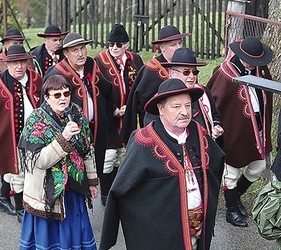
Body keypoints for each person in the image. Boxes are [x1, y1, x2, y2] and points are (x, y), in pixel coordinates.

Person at [100, 78, 225, 250]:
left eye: (188, 105)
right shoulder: (143, 141)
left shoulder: (200, 133)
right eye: (176, 106)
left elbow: (216, 167)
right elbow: (121, 190)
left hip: (198, 228)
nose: (184, 112)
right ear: (161, 108)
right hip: (162, 235)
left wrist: (206, 213)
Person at [18, 74, 98, 249]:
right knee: (50, 241)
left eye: (66, 94)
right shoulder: (36, 120)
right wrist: (64, 138)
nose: (63, 98)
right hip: (47, 193)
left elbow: (87, 148)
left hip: (73, 190)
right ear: (46, 97)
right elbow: (39, 161)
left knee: (76, 235)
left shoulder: (76, 113)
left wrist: (92, 181)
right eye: (57, 95)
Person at [206, 36, 273, 228]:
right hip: (233, 131)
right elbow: (213, 100)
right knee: (231, 172)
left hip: (256, 129)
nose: (254, 66)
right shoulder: (225, 73)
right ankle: (231, 210)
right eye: (251, 62)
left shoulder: (260, 70)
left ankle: (235, 197)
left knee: (258, 167)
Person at [0, 44, 42, 223]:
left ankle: (16, 201)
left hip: (37, 136)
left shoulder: (36, 78)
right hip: (13, 138)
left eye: (22, 62)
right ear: (7, 64)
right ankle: (20, 208)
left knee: (35, 171)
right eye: (14, 63)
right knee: (17, 173)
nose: (19, 66)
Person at [44, 32, 113, 201]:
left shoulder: (91, 65)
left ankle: (92, 195)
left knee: (92, 167)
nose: (81, 53)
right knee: (74, 174)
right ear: (65, 54)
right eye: (74, 50)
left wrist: (105, 115)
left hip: (95, 129)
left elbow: (107, 89)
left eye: (82, 48)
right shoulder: (56, 74)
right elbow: (47, 107)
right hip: (70, 133)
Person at [94, 23, 144, 205]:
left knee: (119, 156)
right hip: (109, 116)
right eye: (111, 44)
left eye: (118, 44)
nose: (114, 48)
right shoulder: (99, 61)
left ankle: (116, 188)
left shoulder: (136, 60)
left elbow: (140, 85)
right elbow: (96, 90)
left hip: (128, 115)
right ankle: (105, 194)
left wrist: (131, 107)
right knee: (108, 156)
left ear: (127, 45)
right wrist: (112, 108)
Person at [120, 25, 190, 143]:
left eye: (180, 43)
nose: (178, 48)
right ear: (162, 47)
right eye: (173, 45)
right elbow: (136, 101)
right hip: (155, 129)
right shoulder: (151, 70)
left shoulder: (186, 66)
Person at [162, 47, 224, 144]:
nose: (191, 76)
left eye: (195, 72)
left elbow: (215, 116)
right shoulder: (162, 97)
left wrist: (216, 126)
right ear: (172, 73)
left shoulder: (204, 92)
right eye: (186, 72)